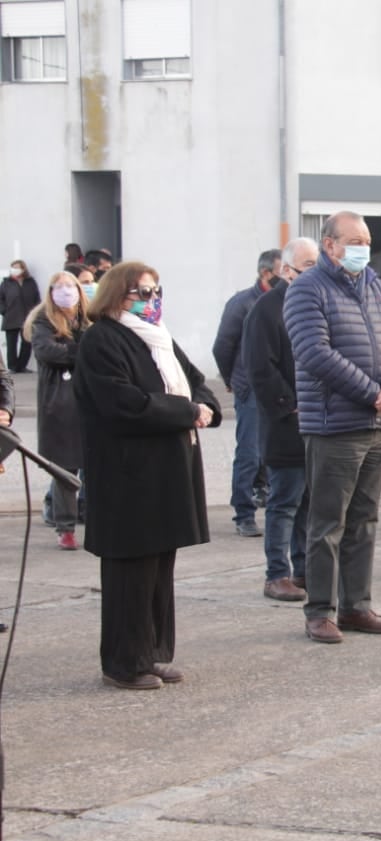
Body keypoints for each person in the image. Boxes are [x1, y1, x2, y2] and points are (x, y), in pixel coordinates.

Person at [74, 261, 222, 689]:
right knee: (130, 571)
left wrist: (203, 407)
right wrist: (187, 411)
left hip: (167, 470)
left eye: (156, 292)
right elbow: (124, 402)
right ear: (117, 294)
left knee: (159, 568)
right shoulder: (102, 340)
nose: (151, 301)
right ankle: (124, 663)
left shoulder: (158, 338)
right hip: (127, 476)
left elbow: (196, 381)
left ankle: (153, 653)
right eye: (142, 293)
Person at [284, 211, 381, 643]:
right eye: (354, 240)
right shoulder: (307, 289)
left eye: (366, 240)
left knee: (364, 519)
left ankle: (356, 606)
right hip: (334, 425)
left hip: (378, 422)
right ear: (330, 245)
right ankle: (319, 610)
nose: (364, 247)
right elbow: (314, 353)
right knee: (327, 523)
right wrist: (373, 392)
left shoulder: (376, 287)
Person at [243, 237, 319, 602]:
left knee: (308, 501)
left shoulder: (316, 303)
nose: (316, 271)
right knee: (285, 500)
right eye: (307, 265)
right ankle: (277, 573)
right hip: (287, 421)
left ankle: (303, 569)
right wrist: (290, 404)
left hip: (318, 422)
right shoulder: (267, 309)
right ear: (286, 270)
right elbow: (260, 366)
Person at [213, 249, 281, 537]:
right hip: (251, 388)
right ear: (266, 274)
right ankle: (244, 512)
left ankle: (270, 500)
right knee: (250, 453)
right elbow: (223, 346)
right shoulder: (243, 303)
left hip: (280, 386)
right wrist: (233, 381)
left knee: (275, 452)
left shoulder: (289, 300)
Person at [25, 271, 91, 549]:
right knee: (65, 468)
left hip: (89, 400)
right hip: (60, 402)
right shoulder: (44, 320)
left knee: (92, 464)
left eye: (70, 286)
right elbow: (47, 352)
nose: (66, 291)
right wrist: (80, 351)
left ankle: (86, 514)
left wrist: (75, 350)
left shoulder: (88, 319)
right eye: (59, 287)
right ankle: (65, 525)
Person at [1, 260, 40, 372]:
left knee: (27, 343)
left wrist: (35, 312)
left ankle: (22, 366)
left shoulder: (30, 282)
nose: (14, 269)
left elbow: (37, 298)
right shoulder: (6, 283)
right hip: (11, 317)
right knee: (11, 344)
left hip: (27, 317)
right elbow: (1, 299)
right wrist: (4, 310)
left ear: (23, 269)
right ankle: (13, 366)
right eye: (13, 267)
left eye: (17, 267)